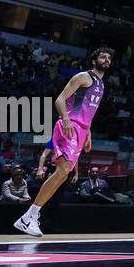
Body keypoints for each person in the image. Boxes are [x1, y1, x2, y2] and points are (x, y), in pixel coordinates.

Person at [14, 47, 112, 237]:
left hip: (82, 129)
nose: (106, 59)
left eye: (109, 58)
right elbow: (60, 100)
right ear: (94, 60)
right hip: (70, 125)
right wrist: (66, 120)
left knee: (63, 174)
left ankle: (30, 216)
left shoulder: (101, 84)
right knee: (62, 171)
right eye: (102, 56)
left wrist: (89, 133)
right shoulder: (84, 77)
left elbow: (89, 111)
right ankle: (30, 216)